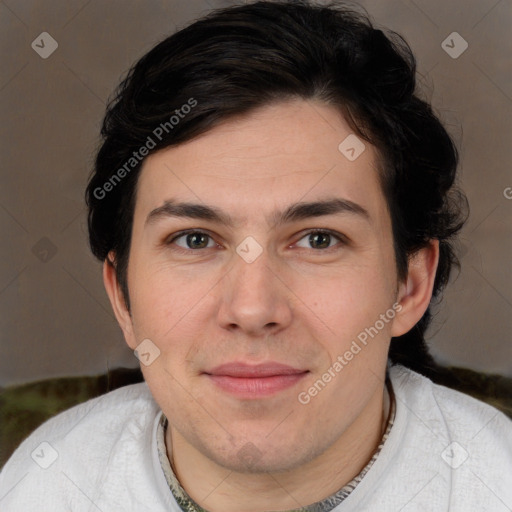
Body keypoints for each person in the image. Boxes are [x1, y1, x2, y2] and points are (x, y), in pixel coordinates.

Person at [1, 1, 511, 510]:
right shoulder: (45, 486)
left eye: (318, 239)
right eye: (195, 240)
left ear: (410, 285)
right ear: (122, 297)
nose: (252, 309)